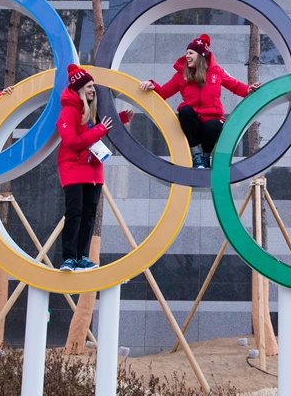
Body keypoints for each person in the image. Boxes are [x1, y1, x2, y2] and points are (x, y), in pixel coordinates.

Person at [139, 33, 258, 169]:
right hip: (193, 124)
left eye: (191, 53)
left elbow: (235, 85)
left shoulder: (217, 72)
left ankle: (206, 156)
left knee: (214, 125)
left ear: (201, 55)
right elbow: (165, 92)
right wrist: (152, 84)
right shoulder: (181, 75)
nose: (187, 56)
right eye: (187, 53)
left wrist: (248, 89)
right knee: (185, 110)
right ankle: (196, 155)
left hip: (211, 121)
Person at [57, 64, 133, 272]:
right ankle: (69, 257)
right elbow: (71, 141)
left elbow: (105, 125)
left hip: (94, 168)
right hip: (72, 167)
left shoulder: (93, 109)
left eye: (93, 86)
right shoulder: (69, 111)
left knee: (90, 213)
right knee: (75, 211)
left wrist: (123, 118)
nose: (93, 90)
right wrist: (100, 129)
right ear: (79, 89)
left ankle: (82, 257)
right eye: (89, 86)